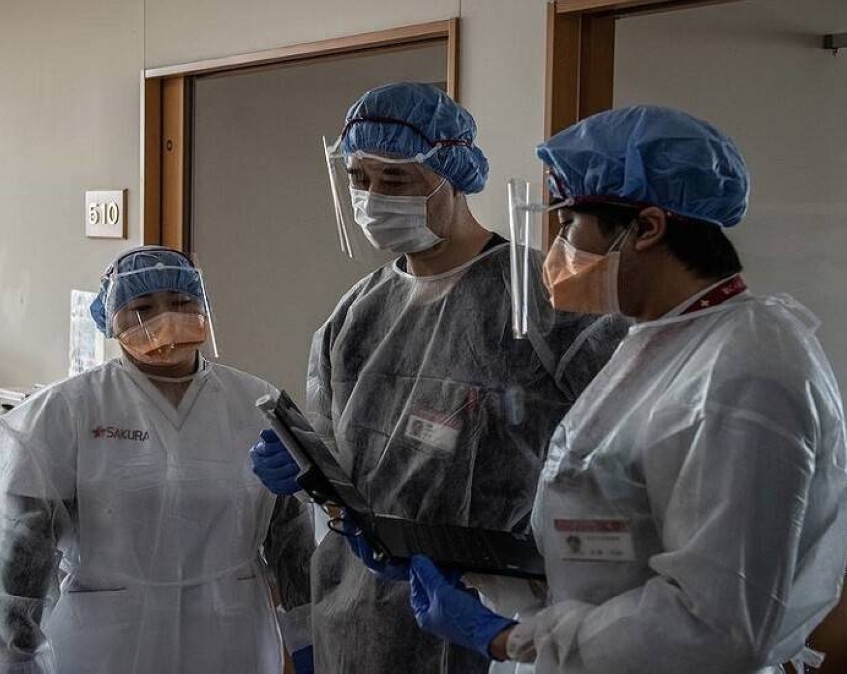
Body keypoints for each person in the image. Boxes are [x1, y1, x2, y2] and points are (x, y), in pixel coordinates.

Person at [405, 106, 847, 674]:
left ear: (647, 227)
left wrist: (507, 640)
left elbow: (713, 627)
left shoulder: (746, 372)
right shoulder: (658, 340)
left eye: (571, 224)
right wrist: (490, 574)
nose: (559, 249)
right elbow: (617, 538)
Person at [251, 82, 627, 674]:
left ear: (453, 174)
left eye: (396, 179)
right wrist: (303, 465)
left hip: (496, 613)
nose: (374, 198)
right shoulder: (354, 316)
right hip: (357, 609)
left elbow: (627, 444)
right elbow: (342, 462)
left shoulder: (542, 300)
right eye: (359, 178)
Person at [0, 246, 315, 674]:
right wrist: (11, 658)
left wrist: (309, 634)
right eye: (142, 308)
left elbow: (294, 542)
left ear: (204, 307)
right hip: (105, 645)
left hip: (230, 635)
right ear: (110, 320)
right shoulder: (66, 411)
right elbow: (20, 557)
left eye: (181, 302)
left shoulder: (255, 404)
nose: (165, 318)